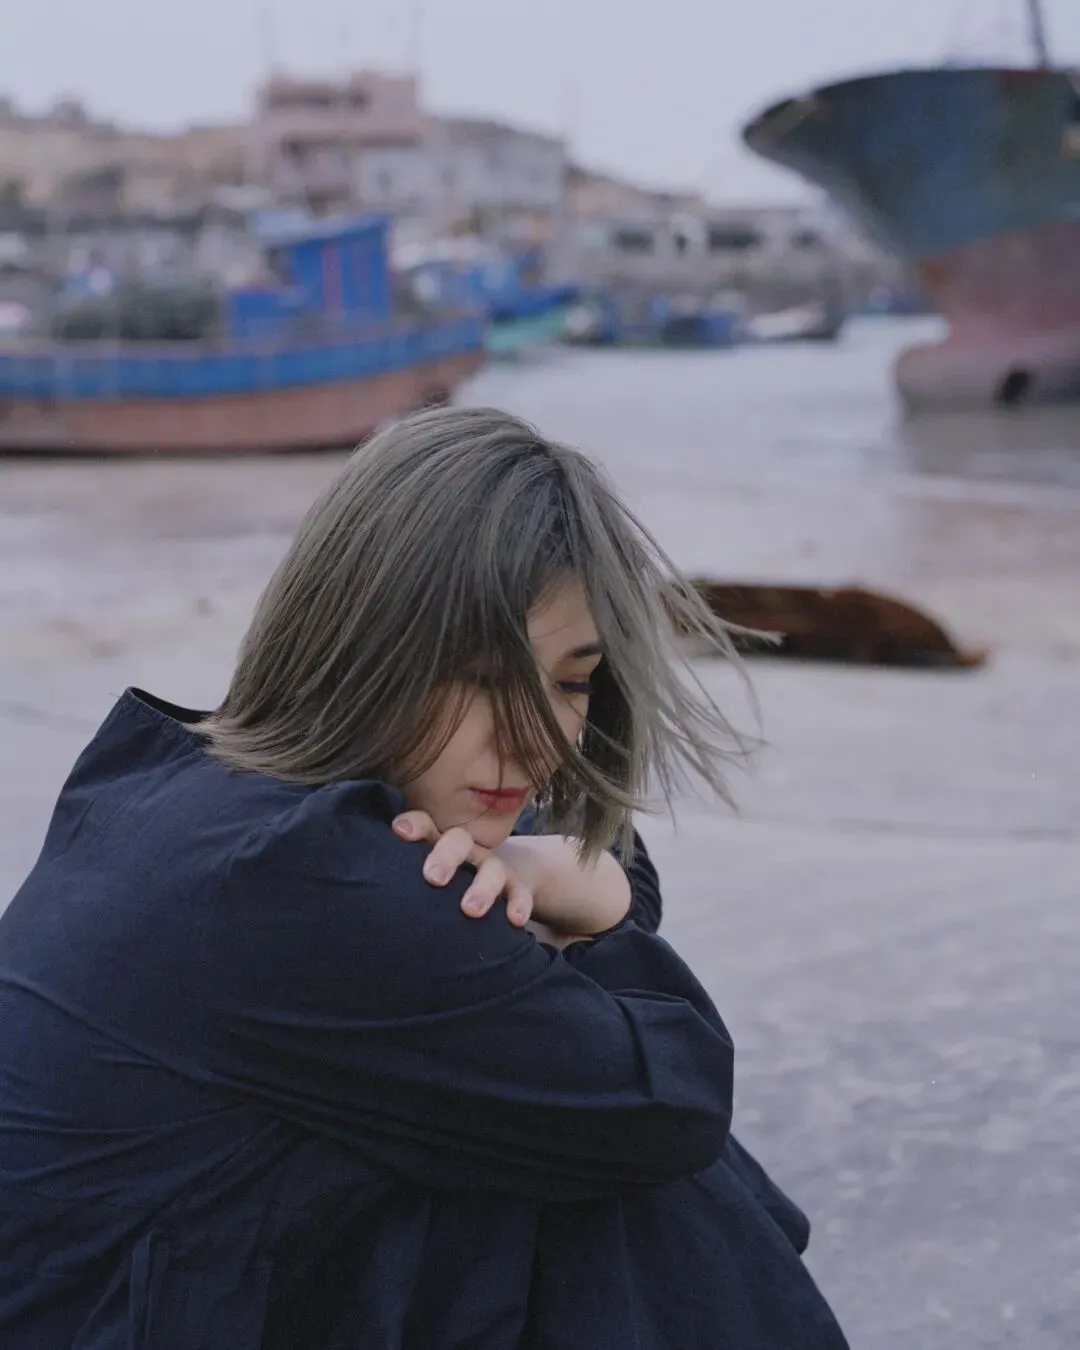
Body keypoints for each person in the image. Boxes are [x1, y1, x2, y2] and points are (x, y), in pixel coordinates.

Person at [0, 407, 848, 1348]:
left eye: (572, 682)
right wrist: (598, 910)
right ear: (355, 644)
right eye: (482, 676)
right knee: (612, 1188)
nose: (536, 734)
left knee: (524, 1147)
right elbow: (674, 1103)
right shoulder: (310, 884)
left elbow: (597, 859)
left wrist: (550, 868)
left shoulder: (173, 786)